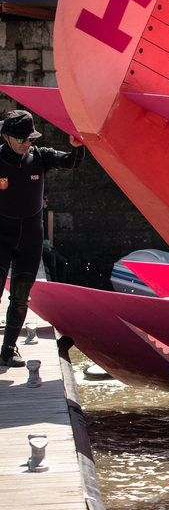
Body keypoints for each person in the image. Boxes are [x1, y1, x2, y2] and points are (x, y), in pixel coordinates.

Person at [0, 110, 85, 367]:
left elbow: (72, 162)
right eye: (21, 139)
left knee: (21, 296)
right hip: (1, 236)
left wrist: (78, 148)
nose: (27, 143)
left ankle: (8, 350)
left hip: (30, 238)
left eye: (30, 138)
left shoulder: (40, 157)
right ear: (6, 136)